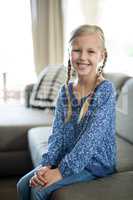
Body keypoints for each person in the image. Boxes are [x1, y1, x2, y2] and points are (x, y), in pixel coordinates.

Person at [17, 24, 116, 200]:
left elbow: (90, 140)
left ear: (102, 55)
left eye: (91, 51)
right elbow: (57, 134)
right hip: (68, 158)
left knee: (38, 190)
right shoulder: (66, 91)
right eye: (77, 50)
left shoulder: (105, 90)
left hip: (95, 163)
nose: (83, 57)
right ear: (69, 53)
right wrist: (47, 165)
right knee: (23, 185)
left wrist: (61, 172)